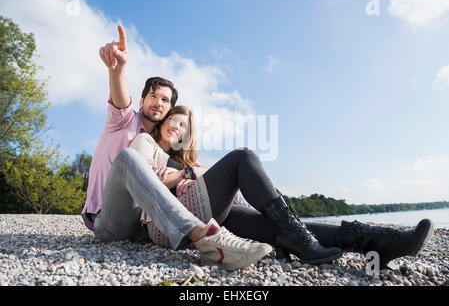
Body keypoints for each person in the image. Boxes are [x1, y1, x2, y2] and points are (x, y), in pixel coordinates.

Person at [135, 105, 435, 270]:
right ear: (161, 122)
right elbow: (148, 183)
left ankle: (378, 242)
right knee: (243, 157)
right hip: (171, 224)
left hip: (213, 217)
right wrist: (184, 175)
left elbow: (205, 180)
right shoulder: (147, 144)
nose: (177, 127)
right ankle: (301, 240)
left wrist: (190, 170)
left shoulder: (190, 162)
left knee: (283, 228)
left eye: (184, 125)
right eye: (173, 120)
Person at [81, 25, 274, 271]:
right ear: (141, 101)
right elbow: (120, 97)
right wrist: (117, 70)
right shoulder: (125, 120)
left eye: (165, 100)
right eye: (153, 96)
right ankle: (206, 240)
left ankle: (294, 231)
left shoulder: (159, 148)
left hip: (143, 229)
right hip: (108, 221)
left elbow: (198, 172)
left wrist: (189, 173)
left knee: (232, 194)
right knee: (128, 158)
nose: (158, 102)